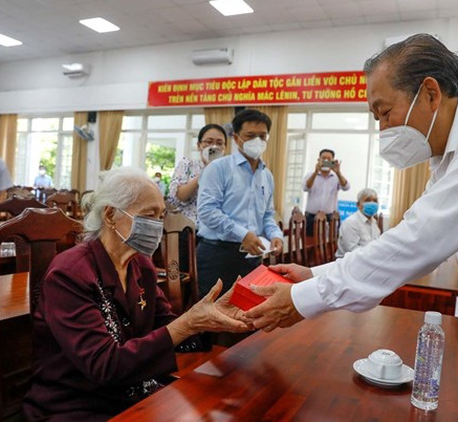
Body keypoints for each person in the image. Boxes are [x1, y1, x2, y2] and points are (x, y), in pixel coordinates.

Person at [244, 34, 458, 422]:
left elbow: (422, 239)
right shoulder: (447, 160)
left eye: (384, 112)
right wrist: (315, 273)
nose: (383, 129)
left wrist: (305, 298)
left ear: (430, 93)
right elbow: (405, 234)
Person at [22, 166, 251, 421]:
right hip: (75, 404)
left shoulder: (141, 265)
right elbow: (104, 365)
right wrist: (187, 324)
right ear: (110, 215)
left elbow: (165, 325)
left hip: (131, 392)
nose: (156, 225)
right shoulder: (70, 273)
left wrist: (211, 318)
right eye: (148, 215)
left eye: (161, 215)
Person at [196, 109, 283, 298]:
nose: (257, 141)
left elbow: (267, 214)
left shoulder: (266, 175)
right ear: (236, 138)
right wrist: (243, 234)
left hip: (252, 256)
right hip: (218, 254)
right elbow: (207, 211)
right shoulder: (218, 168)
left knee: (250, 315)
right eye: (250, 136)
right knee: (215, 318)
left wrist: (276, 235)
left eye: (262, 136)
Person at [167, 124, 227, 225]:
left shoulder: (229, 170)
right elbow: (180, 196)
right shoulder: (188, 164)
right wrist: (207, 170)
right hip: (189, 227)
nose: (214, 146)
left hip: (218, 228)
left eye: (219, 143)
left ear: (225, 147)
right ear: (199, 145)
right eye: (209, 142)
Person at [303, 148, 350, 236]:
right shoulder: (310, 175)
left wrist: (338, 172)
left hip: (329, 218)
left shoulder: (336, 177)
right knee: (309, 242)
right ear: (318, 160)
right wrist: (316, 172)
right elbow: (306, 187)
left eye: (329, 159)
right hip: (311, 217)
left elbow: (346, 187)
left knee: (329, 244)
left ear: (333, 161)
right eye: (323, 158)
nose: (326, 161)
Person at [335, 187, 381, 258]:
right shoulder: (351, 223)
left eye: (375, 201)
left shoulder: (374, 222)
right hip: (349, 263)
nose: (372, 203)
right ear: (358, 205)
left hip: (367, 260)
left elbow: (376, 244)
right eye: (368, 200)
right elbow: (352, 250)